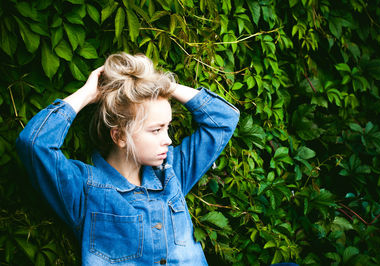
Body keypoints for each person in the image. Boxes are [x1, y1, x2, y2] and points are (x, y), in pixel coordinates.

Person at [16, 52, 240, 265]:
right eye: (156, 130)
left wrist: (161, 85)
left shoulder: (173, 172)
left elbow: (224, 119)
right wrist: (86, 94)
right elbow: (35, 144)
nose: (168, 140)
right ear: (120, 136)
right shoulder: (84, 189)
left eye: (168, 127)